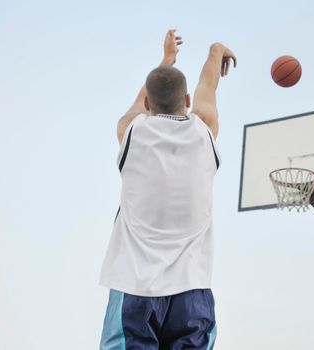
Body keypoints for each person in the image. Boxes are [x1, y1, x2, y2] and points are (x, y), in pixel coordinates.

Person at [98, 28, 236, 350]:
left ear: (148, 102)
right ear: (186, 102)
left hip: (135, 288)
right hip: (192, 291)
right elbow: (208, 86)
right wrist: (216, 51)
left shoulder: (131, 132)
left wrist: (167, 58)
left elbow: (136, 107)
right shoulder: (204, 131)